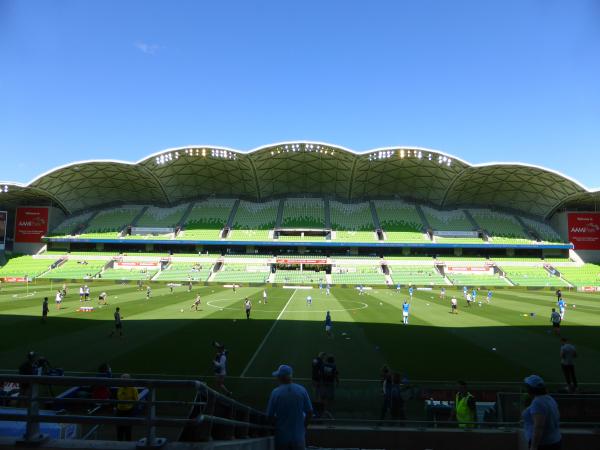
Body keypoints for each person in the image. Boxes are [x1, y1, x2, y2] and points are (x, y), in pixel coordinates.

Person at [267, 365, 313, 450]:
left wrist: (277, 427)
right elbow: (310, 412)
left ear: (280, 377)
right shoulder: (302, 390)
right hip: (299, 439)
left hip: (282, 439)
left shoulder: (275, 393)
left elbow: (269, 416)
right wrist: (303, 427)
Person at [522, 375, 561, 450]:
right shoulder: (549, 398)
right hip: (554, 441)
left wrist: (533, 447)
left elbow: (539, 427)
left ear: (530, 389)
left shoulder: (538, 402)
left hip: (543, 444)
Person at [115, 373, 139, 441]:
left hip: (129, 411)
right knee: (119, 430)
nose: (122, 382)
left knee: (127, 430)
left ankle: (127, 444)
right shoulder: (120, 388)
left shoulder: (133, 389)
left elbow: (136, 400)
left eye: (124, 380)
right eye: (121, 380)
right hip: (119, 411)